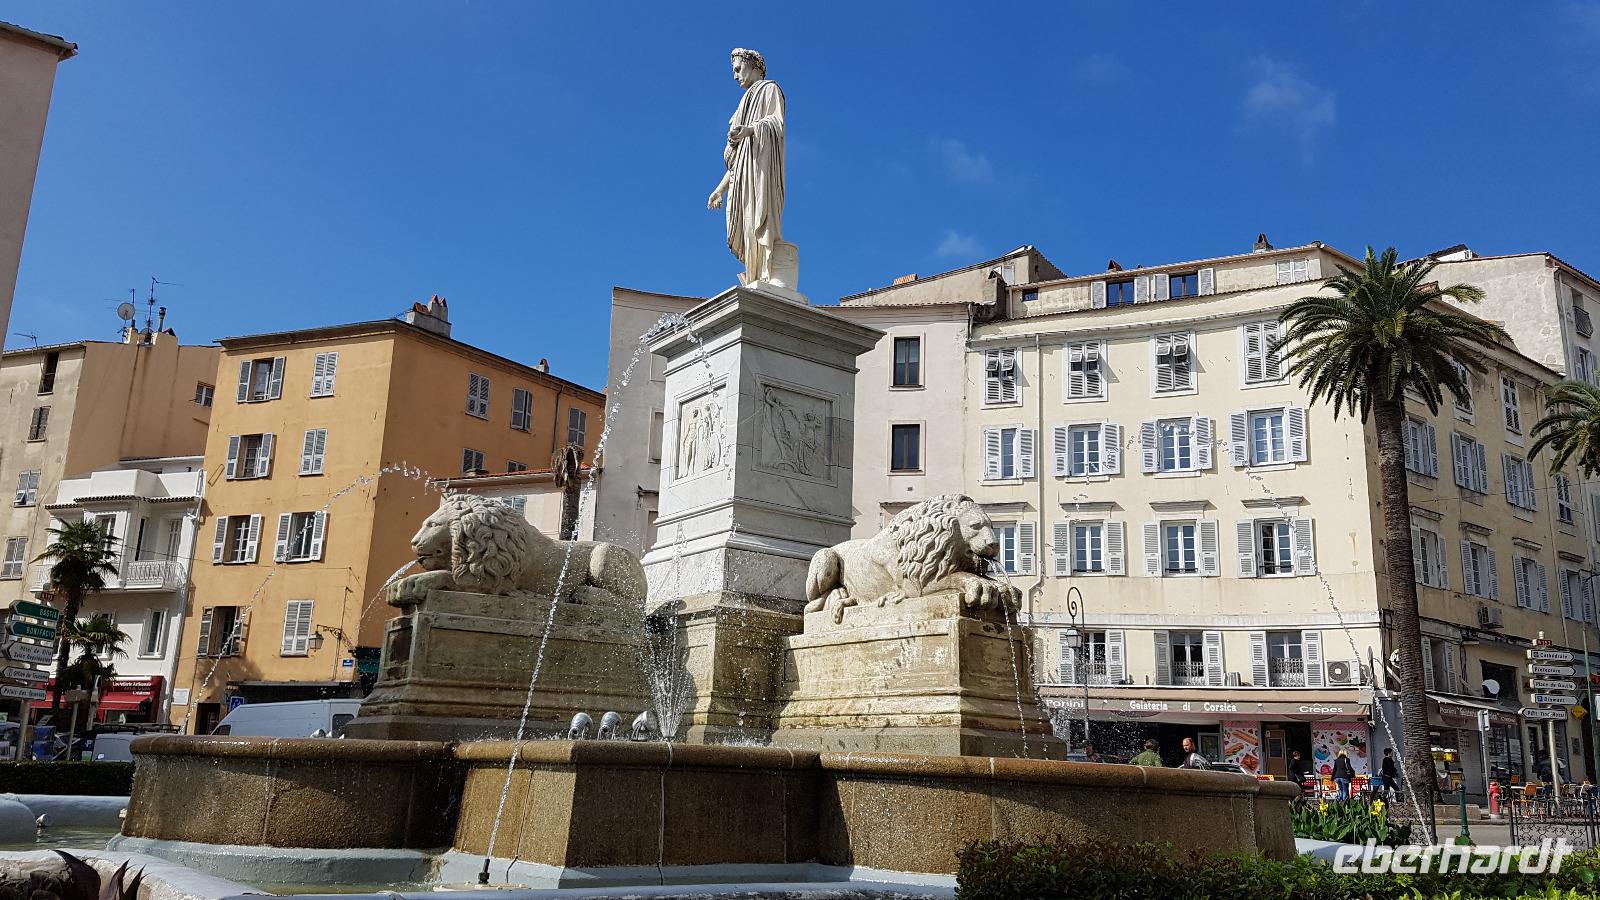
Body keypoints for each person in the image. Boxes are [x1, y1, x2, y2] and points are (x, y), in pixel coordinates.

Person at [707, 48, 786, 287]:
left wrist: (751, 130)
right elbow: (736, 163)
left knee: (759, 221)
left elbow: (776, 123)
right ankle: (753, 275)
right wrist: (720, 189)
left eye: (738, 69)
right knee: (748, 226)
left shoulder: (770, 90)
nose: (735, 76)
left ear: (754, 66)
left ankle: (765, 272)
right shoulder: (742, 105)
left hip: (760, 174)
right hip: (743, 178)